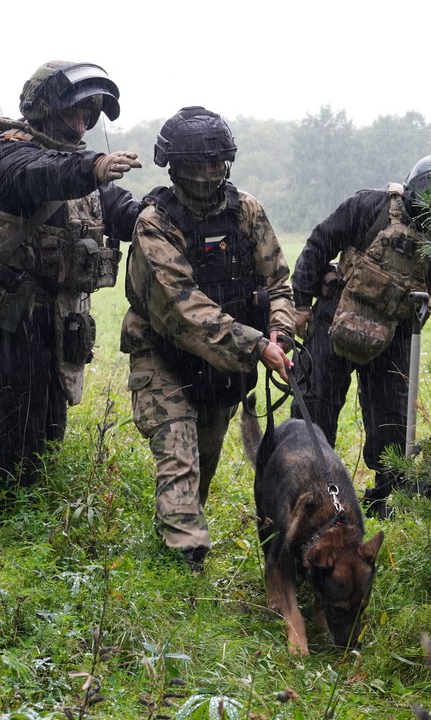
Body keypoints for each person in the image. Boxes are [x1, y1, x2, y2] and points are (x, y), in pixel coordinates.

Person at [0, 60, 144, 503]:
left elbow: (120, 211)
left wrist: (160, 216)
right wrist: (95, 165)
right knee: (16, 423)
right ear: (42, 111)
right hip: (4, 317)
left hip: (55, 319)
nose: (80, 127)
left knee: (51, 424)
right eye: (72, 115)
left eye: (88, 117)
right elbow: (39, 174)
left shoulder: (78, 167)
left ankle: (34, 516)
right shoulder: (6, 156)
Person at [290, 154, 431, 518]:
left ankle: (385, 500)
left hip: (394, 336)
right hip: (333, 320)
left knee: (392, 425)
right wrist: (302, 305)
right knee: (313, 411)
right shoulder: (366, 206)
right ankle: (308, 496)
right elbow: (318, 245)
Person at [121, 106, 295, 570]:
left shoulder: (246, 211)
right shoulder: (155, 223)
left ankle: (179, 528)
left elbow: (278, 282)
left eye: (217, 162)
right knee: (179, 455)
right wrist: (256, 345)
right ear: (175, 166)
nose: (209, 173)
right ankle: (185, 563)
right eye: (198, 164)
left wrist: (280, 329)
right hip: (161, 355)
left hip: (221, 365)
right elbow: (184, 310)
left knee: (202, 465)